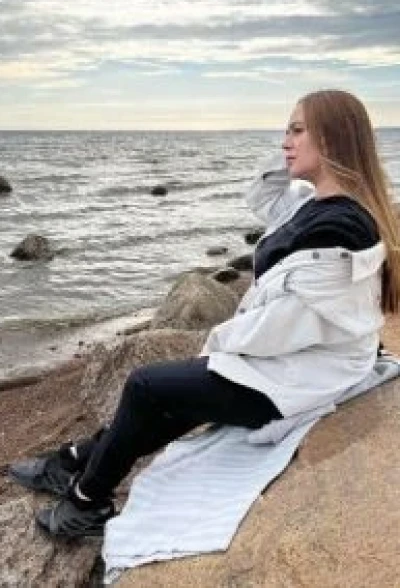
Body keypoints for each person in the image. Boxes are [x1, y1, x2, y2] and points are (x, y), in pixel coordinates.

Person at [9, 89, 400, 540]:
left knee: (144, 387)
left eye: (296, 131)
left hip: (303, 372)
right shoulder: (313, 204)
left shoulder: (339, 227)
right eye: (286, 131)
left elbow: (284, 328)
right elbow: (262, 195)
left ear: (331, 138)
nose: (285, 141)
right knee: (171, 399)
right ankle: (75, 460)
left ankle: (86, 502)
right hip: (293, 356)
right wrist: (300, 155)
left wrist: (218, 347)